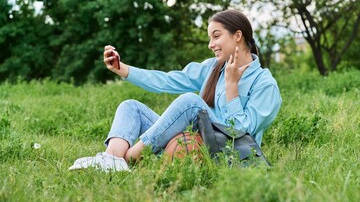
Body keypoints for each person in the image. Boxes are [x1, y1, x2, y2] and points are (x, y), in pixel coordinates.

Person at [68, 9, 282, 172]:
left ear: (237, 35)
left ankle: (127, 159)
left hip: (228, 156)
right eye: (210, 38)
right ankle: (111, 158)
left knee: (190, 101)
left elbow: (242, 132)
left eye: (216, 36)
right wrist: (123, 69)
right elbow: (168, 80)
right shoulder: (212, 67)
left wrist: (232, 86)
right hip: (195, 139)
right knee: (131, 107)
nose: (210, 44)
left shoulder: (265, 84)